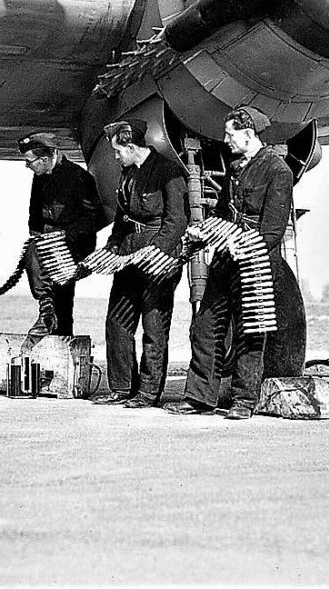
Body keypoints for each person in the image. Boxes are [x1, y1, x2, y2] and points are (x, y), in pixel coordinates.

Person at [164, 106, 306, 420]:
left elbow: (272, 231)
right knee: (204, 327)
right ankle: (200, 398)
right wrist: (203, 230)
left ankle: (244, 401)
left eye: (230, 134)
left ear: (247, 134)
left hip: (255, 262)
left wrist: (243, 244)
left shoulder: (278, 171)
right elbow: (225, 214)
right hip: (225, 259)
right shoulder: (237, 167)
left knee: (251, 333)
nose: (226, 139)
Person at [92, 119, 189, 409]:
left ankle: (147, 393)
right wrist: (111, 249)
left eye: (118, 151)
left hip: (159, 256)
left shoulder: (168, 172)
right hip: (128, 254)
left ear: (131, 146)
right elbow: (122, 220)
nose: (115, 156)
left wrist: (155, 252)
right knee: (117, 322)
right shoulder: (127, 174)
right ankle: (122, 387)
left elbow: (176, 222)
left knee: (154, 326)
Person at [18, 132, 104, 338]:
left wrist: (64, 235)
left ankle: (61, 339)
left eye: (30, 162)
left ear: (45, 159)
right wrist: (36, 233)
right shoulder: (40, 176)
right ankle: (46, 311)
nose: (28, 166)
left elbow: (95, 219)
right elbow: (34, 209)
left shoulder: (79, 178)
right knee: (34, 253)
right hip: (49, 242)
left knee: (63, 301)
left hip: (74, 246)